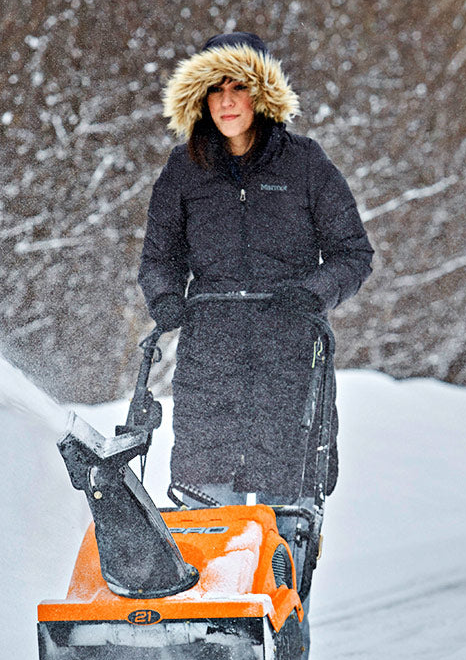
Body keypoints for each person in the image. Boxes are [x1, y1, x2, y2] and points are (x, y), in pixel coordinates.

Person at [139, 31, 373, 509]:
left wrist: (313, 294)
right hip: (210, 356)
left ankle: (281, 579)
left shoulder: (305, 163)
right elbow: (160, 257)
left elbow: (353, 252)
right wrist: (165, 298)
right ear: (199, 99)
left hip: (288, 351)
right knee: (203, 500)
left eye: (238, 88)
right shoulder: (183, 169)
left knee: (284, 505)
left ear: (262, 94)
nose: (226, 102)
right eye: (215, 90)